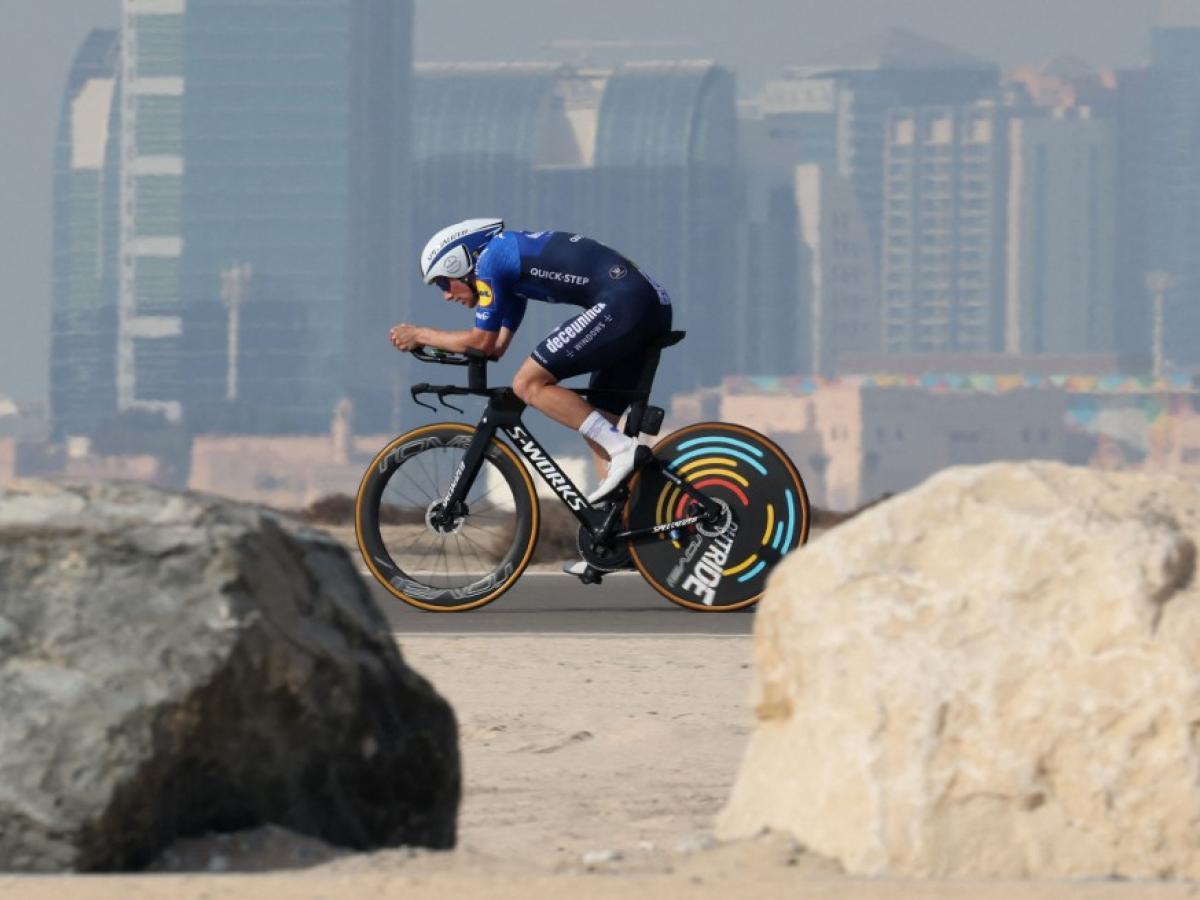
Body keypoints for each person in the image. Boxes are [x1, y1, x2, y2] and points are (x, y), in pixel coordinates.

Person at [388, 219, 674, 570]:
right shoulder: (508, 278)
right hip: (644, 303)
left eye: (444, 283)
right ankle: (616, 538)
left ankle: (625, 451)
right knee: (598, 423)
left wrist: (421, 334)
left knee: (528, 384)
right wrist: (438, 350)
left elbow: (481, 341)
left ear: (458, 263)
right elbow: (494, 348)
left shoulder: (491, 261)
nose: (447, 295)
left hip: (625, 302)